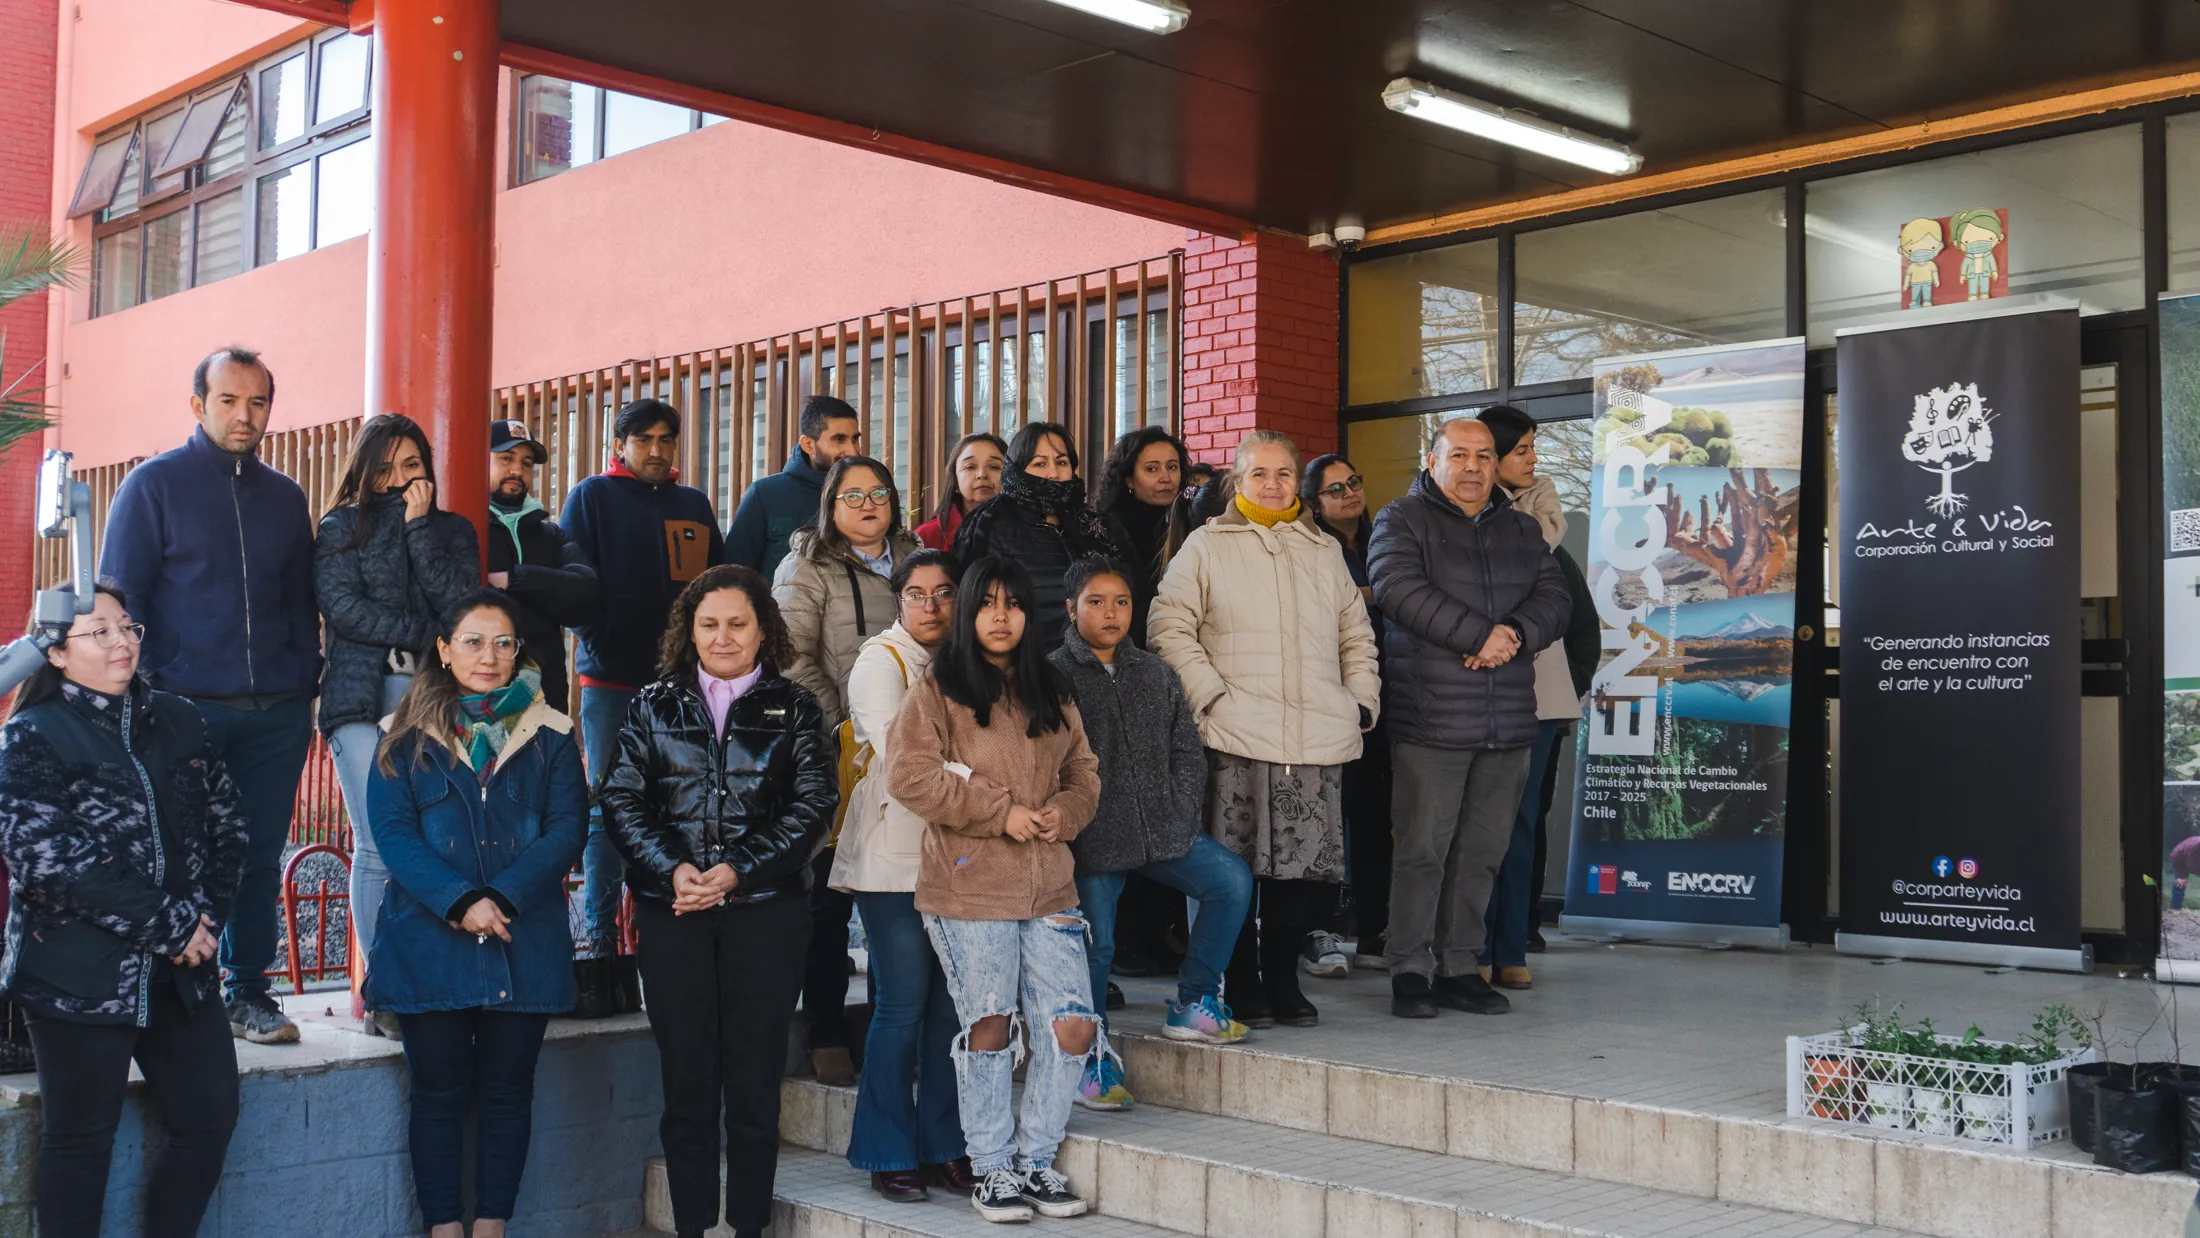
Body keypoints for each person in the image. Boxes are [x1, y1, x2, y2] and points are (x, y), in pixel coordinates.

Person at [0, 585, 247, 1238]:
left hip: (180, 975)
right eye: (99, 632)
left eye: (127, 627)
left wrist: (204, 925)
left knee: (210, 1120)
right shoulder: (31, 735)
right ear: (53, 652)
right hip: (75, 975)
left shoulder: (179, 719)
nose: (122, 642)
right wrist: (168, 925)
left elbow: (229, 830)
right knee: (80, 1144)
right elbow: (46, 862)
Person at [601, 565, 835, 1238]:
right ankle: (693, 1226)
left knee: (755, 1082)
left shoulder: (794, 707)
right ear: (689, 631)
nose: (724, 637)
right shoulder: (653, 704)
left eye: (738, 623)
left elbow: (813, 805)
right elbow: (621, 799)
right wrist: (674, 870)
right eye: (710, 624)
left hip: (767, 912)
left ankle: (750, 1225)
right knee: (688, 1082)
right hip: (673, 913)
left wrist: (735, 870)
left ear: (764, 628)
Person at [97, 345, 319, 1046]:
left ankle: (248, 990)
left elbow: (300, 601)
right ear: (198, 405)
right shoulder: (152, 486)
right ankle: (166, 995)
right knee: (175, 850)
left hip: (277, 713)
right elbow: (119, 599)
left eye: (257, 402)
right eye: (229, 400)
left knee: (256, 852)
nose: (244, 415)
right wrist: (141, 697)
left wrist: (301, 677)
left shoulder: (285, 497)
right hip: (182, 707)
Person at [886, 555, 1102, 1224]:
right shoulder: (939, 686)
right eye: (986, 604)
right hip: (970, 886)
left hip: (1050, 885)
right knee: (989, 1025)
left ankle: (1038, 1161)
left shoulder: (1053, 687)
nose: (1000, 616)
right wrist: (998, 813)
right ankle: (992, 1168)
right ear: (968, 614)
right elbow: (910, 777)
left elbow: (1083, 772)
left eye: (1011, 604)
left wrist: (1064, 814)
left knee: (1070, 1027)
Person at [364, 591, 585, 1238]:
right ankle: (444, 1228)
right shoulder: (400, 738)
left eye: (503, 643)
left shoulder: (552, 734)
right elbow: (395, 836)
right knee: (436, 1096)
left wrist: (503, 897)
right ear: (443, 649)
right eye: (473, 641)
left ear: (520, 652)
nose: (489, 657)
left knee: (508, 1095)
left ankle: (491, 1225)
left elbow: (567, 829)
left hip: (524, 938)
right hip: (429, 944)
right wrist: (462, 902)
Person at [1149, 431, 1380, 1031]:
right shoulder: (1206, 545)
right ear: (1236, 480)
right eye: (1259, 474)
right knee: (1237, 871)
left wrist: (1359, 702)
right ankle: (1243, 980)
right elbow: (1169, 628)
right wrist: (1211, 698)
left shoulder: (1323, 550)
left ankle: (1283, 979)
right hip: (1235, 735)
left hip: (1317, 736)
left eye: (1283, 473)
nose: (1272, 484)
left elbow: (1356, 636)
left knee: (1301, 875)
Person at [1368, 417, 1571, 1020]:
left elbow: (1555, 599)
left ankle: (1460, 965)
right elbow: (1396, 588)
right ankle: (1409, 968)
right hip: (1431, 718)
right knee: (1422, 852)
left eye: (1484, 456)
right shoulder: (1400, 520)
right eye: (1460, 455)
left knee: (1482, 851)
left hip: (1507, 721)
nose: (1474, 467)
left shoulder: (1521, 528)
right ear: (1433, 462)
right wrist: (1480, 635)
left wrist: (1511, 634)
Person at [1050, 555, 1252, 1114]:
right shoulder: (1052, 676)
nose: (1110, 613)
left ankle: (1195, 1001)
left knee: (1230, 882)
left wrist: (1182, 805)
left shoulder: (1155, 671)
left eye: (1121, 602)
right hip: (1091, 839)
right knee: (1097, 947)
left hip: (1162, 826)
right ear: (1071, 609)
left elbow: (1187, 748)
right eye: (1096, 602)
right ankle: (1089, 1056)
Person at [315, 413, 481, 1031]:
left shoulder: (452, 531)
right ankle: (384, 990)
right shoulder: (339, 527)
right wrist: (426, 633)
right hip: (360, 700)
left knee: (440, 840)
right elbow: (345, 610)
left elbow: (460, 604)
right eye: (385, 467)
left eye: (411, 466)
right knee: (379, 845)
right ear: (364, 469)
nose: (398, 480)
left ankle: (434, 979)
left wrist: (417, 532)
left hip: (434, 700)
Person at [830, 549, 974, 1202]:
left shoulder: (973, 661)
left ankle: (944, 1143)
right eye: (917, 593)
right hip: (892, 861)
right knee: (901, 1003)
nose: (932, 605)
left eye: (945, 592)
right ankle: (886, 1148)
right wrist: (990, 784)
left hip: (963, 856)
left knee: (952, 1007)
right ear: (898, 600)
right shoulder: (878, 662)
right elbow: (906, 762)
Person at [773, 455, 920, 1087]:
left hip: (918, 750)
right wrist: (845, 724)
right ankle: (828, 1028)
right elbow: (790, 656)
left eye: (878, 493)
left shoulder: (918, 561)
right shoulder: (806, 565)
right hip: (836, 744)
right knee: (830, 894)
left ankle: (897, 1025)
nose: (866, 505)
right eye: (851, 495)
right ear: (831, 506)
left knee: (901, 890)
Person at [563, 398, 726, 955]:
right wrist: (601, 643)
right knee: (610, 803)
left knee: (678, 802)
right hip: (611, 683)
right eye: (643, 440)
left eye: (666, 440)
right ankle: (599, 934)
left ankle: (660, 927)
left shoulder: (693, 504)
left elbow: (715, 586)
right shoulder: (592, 496)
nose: (656, 450)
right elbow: (574, 581)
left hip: (683, 685)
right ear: (620, 445)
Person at [1476, 407, 1599, 984]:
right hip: (1465, 694)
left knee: (1520, 826)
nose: (1533, 459)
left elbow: (1582, 624)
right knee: (1467, 829)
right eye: (1522, 449)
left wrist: (1565, 685)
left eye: (1533, 447)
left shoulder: (1546, 526)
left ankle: (1510, 950)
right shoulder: (1448, 515)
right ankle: (1466, 951)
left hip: (1539, 701)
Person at [1302, 452, 1391, 974]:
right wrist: (1376, 595)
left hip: (1387, 701)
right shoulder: (1313, 548)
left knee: (1376, 822)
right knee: (1325, 823)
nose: (1349, 493)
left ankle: (1377, 930)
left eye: (1353, 482)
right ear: (1315, 503)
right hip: (1330, 703)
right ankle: (1319, 929)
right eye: (1335, 489)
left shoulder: (1382, 539)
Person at [949, 422, 1132, 651]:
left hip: (1101, 663)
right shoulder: (987, 525)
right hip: (1025, 666)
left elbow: (1137, 594)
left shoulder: (1100, 526)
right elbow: (972, 609)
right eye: (1039, 463)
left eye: (1062, 462)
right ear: (1017, 469)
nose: (1053, 473)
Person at [486, 418, 601, 715]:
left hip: (545, 693)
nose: (517, 470)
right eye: (505, 459)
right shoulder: (467, 528)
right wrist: (550, 588)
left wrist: (514, 579)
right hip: (481, 694)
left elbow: (586, 590)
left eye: (526, 464)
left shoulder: (550, 534)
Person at [727, 394, 865, 578]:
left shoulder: (869, 493)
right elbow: (734, 574)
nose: (852, 451)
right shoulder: (764, 495)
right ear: (808, 445)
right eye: (839, 439)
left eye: (854, 439)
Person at [1091, 426, 1193, 647]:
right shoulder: (1107, 530)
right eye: (1152, 469)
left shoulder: (1190, 522)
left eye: (1172, 467)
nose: (1165, 478)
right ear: (1128, 479)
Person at [914, 432, 1006, 551]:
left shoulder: (1028, 532)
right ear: (955, 481)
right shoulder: (926, 537)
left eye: (994, 467)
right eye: (970, 467)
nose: (982, 475)